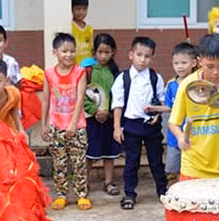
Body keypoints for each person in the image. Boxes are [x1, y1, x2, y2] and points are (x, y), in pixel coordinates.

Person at [168, 33, 219, 179]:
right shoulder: (187, 86)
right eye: (210, 66)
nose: (216, 72)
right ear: (199, 61)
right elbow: (173, 122)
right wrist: (180, 137)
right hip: (194, 167)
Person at [112, 36, 168, 209]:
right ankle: (129, 194)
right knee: (132, 161)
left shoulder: (155, 78)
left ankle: (163, 192)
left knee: (156, 160)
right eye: (139, 55)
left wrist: (157, 115)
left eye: (147, 56)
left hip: (151, 125)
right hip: (131, 125)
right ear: (131, 55)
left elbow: (161, 101)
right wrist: (117, 127)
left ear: (152, 58)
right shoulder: (123, 78)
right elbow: (118, 104)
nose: (143, 60)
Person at [41, 33, 89, 210]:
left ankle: (81, 195)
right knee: (59, 163)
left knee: (78, 162)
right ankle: (61, 195)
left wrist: (73, 124)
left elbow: (80, 98)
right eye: (64, 51)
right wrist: (44, 124)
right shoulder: (49, 74)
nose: (69, 55)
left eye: (72, 51)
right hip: (56, 126)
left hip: (77, 127)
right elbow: (46, 100)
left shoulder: (80, 72)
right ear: (55, 52)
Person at [84, 33, 122, 196]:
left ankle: (108, 182)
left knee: (109, 152)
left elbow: (118, 96)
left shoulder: (115, 72)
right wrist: (94, 111)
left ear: (113, 52)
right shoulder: (88, 71)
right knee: (90, 152)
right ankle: (83, 182)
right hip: (92, 119)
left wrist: (110, 113)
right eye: (100, 52)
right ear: (94, 52)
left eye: (107, 52)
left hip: (110, 119)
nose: (103, 56)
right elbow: (82, 94)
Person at [164, 42, 199, 179]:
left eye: (184, 63)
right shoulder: (171, 84)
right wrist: (154, 109)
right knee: (174, 169)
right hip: (175, 134)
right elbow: (169, 106)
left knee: (193, 168)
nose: (179, 66)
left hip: (194, 133)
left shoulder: (198, 83)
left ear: (194, 63)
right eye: (176, 63)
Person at [71, 0, 93, 66]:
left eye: (84, 9)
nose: (81, 12)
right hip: (74, 67)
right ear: (71, 9)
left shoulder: (89, 29)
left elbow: (91, 49)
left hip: (88, 67)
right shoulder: (69, 27)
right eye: (78, 9)